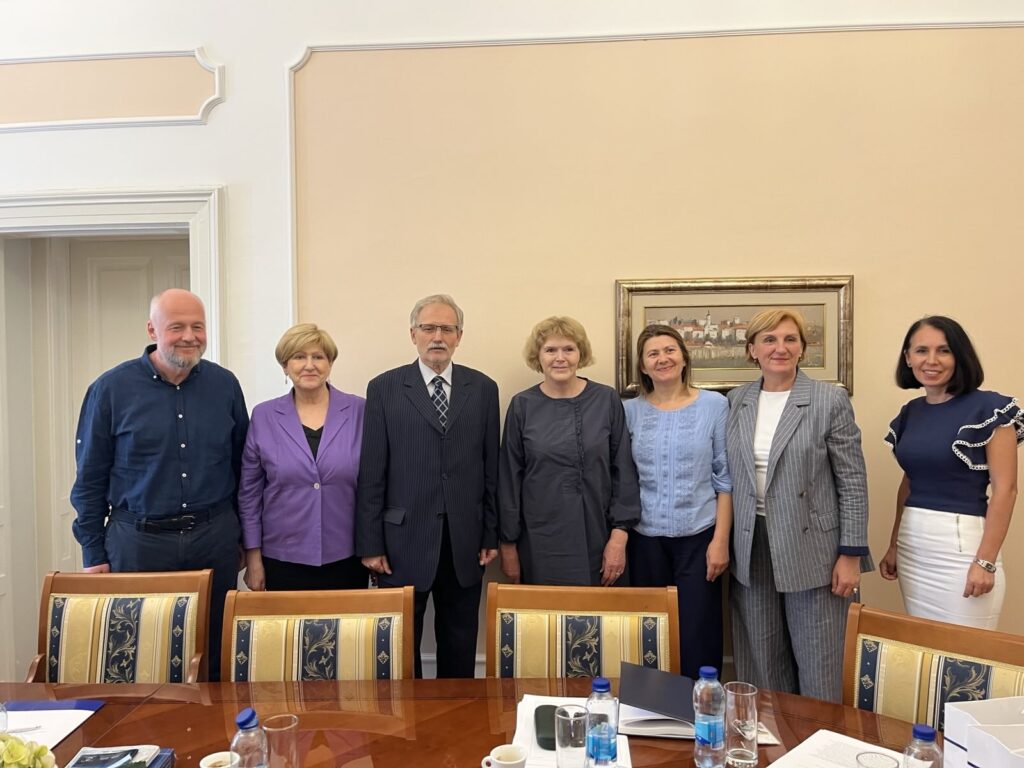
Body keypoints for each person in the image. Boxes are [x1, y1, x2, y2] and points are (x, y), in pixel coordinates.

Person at [70, 288, 249, 681]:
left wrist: (243, 538)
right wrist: (92, 553)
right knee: (140, 656)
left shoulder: (225, 386)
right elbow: (90, 477)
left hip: (213, 539)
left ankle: (216, 738)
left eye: (197, 326)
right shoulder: (110, 390)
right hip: (138, 544)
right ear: (152, 329)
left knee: (215, 653)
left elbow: (243, 467)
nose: (189, 336)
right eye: (177, 327)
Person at [726, 308, 870, 703]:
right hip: (751, 543)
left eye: (790, 339)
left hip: (815, 549)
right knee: (761, 661)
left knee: (820, 661)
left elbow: (853, 479)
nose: (780, 348)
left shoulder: (828, 399)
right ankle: (772, 746)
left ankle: (821, 749)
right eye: (769, 340)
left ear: (802, 348)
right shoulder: (737, 400)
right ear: (752, 349)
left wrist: (851, 553)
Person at [355, 294, 499, 678]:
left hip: (464, 540)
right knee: (401, 649)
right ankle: (408, 733)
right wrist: (370, 544)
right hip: (401, 540)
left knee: (459, 641)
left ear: (459, 336)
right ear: (413, 334)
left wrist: (490, 533)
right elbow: (372, 471)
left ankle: (456, 724)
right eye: (429, 328)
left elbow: (491, 469)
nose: (438, 336)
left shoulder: (483, 389)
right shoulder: (384, 388)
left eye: (446, 329)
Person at [880, 315, 1022, 629]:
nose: (931, 360)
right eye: (921, 351)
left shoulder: (989, 409)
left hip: (961, 547)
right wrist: (893, 544)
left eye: (944, 350)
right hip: (913, 545)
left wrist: (984, 562)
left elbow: (1006, 490)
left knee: (966, 660)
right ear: (908, 358)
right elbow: (910, 480)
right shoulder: (911, 413)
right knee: (926, 651)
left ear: (959, 356)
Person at [623, 324, 732, 678]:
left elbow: (725, 478)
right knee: (649, 637)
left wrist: (720, 542)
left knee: (698, 635)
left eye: (669, 350)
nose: (662, 359)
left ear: (684, 358)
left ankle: (701, 717)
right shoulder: (628, 411)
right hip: (644, 540)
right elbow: (622, 478)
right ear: (642, 366)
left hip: (699, 536)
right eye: (652, 353)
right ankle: (651, 720)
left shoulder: (715, 406)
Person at [498, 316, 640, 586]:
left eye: (568, 349)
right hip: (539, 542)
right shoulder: (522, 406)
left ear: (580, 354)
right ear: (537, 356)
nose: (559, 358)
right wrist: (508, 546)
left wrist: (619, 537)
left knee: (599, 624)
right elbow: (509, 480)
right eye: (550, 350)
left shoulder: (606, 399)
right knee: (546, 623)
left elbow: (623, 470)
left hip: (600, 537)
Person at [238, 323, 368, 592]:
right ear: (285, 366)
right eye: (299, 357)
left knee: (346, 634)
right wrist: (253, 557)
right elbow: (249, 494)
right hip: (282, 558)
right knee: (287, 634)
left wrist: (376, 548)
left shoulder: (360, 411)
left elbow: (376, 485)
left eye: (318, 357)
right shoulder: (264, 416)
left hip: (347, 555)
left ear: (330, 363)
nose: (310, 365)